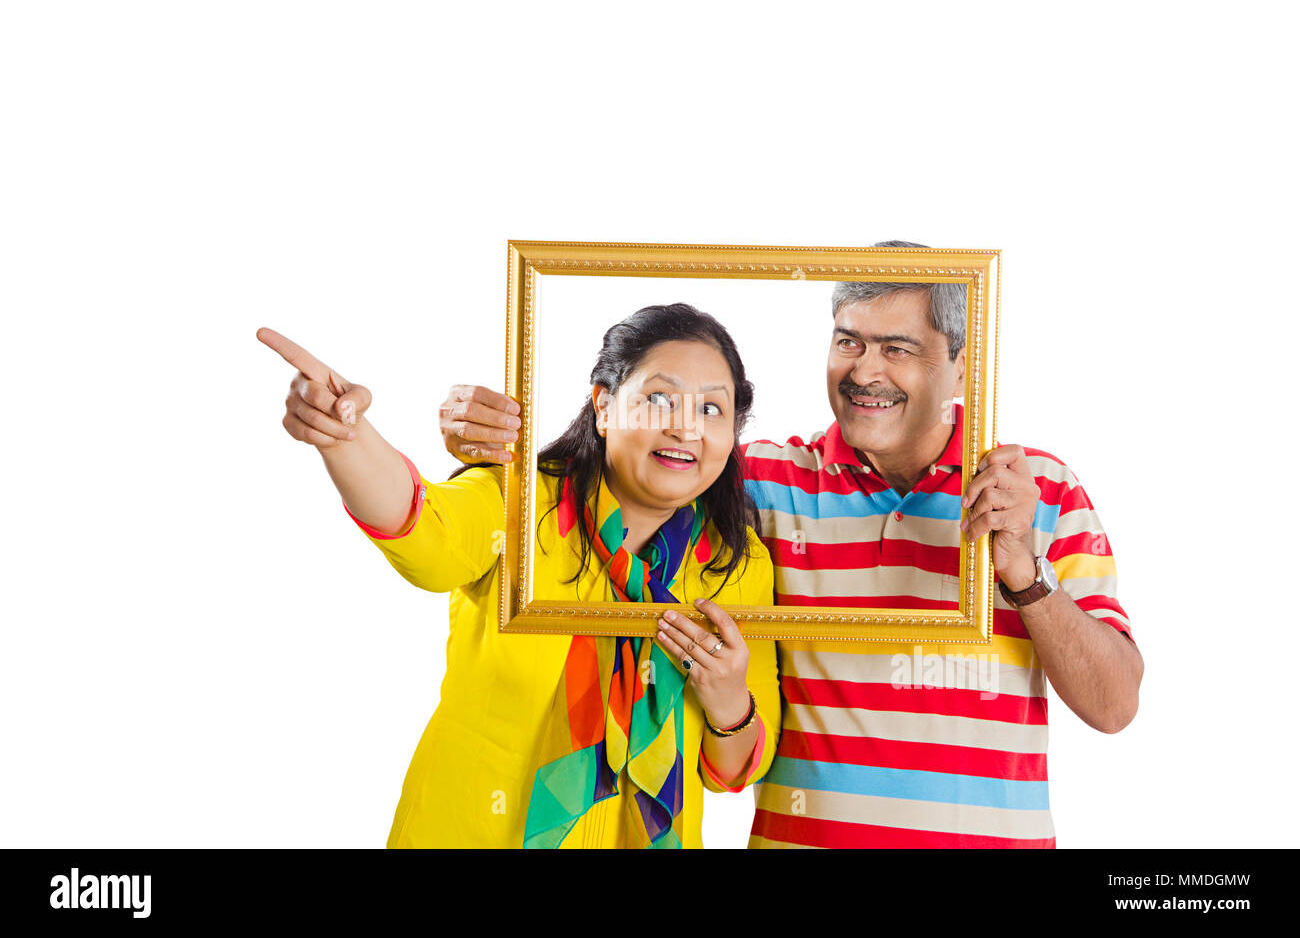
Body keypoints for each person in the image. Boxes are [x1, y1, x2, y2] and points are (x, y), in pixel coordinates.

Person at [439, 241, 1144, 848]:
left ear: (962, 368)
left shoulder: (1036, 489)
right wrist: (486, 442)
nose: (866, 371)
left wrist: (1026, 573)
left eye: (898, 349)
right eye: (849, 341)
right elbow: (635, 462)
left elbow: (1113, 706)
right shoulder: (764, 484)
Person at [256, 304, 778, 848]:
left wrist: (728, 701)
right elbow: (422, 529)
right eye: (658, 399)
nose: (684, 426)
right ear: (603, 407)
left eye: (712, 408)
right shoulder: (522, 501)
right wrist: (345, 436)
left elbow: (737, 772)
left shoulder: (737, 567)